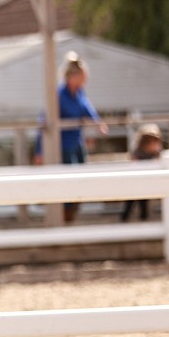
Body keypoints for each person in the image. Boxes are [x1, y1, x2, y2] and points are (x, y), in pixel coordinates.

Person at [34, 52, 109, 222]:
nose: (85, 80)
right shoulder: (59, 95)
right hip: (63, 144)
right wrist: (40, 150)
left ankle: (72, 208)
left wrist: (98, 123)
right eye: (82, 77)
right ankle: (64, 213)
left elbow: (87, 108)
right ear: (73, 77)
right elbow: (44, 121)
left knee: (82, 175)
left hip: (76, 140)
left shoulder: (79, 93)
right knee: (67, 177)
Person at [121, 123, 163, 222]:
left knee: (144, 201)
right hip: (135, 182)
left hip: (148, 181)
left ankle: (143, 218)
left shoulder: (156, 154)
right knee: (131, 200)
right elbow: (133, 165)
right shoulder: (137, 153)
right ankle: (125, 218)